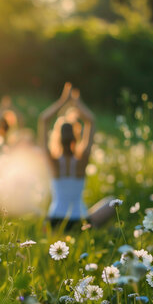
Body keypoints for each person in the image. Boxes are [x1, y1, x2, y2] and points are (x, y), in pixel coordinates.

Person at [38, 83, 115, 231]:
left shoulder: (53, 161)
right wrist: (77, 102)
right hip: (81, 221)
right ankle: (94, 230)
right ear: (76, 136)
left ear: (57, 137)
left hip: (55, 221)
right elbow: (91, 121)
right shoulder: (82, 160)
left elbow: (43, 120)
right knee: (112, 202)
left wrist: (63, 101)